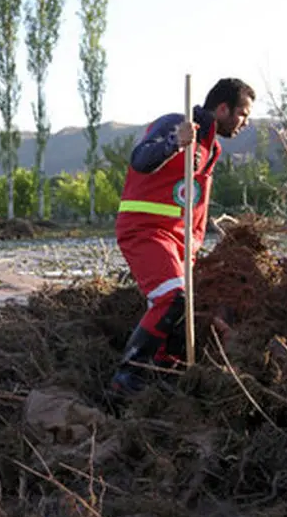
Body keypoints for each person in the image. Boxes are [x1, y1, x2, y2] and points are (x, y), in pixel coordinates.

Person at [110, 78, 256, 393]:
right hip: (146, 229)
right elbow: (140, 160)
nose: (245, 122)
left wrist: (193, 247)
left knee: (186, 306)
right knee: (172, 297)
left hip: (179, 241)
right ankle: (127, 376)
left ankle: (166, 370)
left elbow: (192, 201)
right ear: (222, 108)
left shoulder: (211, 147)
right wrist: (174, 143)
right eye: (242, 114)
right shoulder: (176, 125)